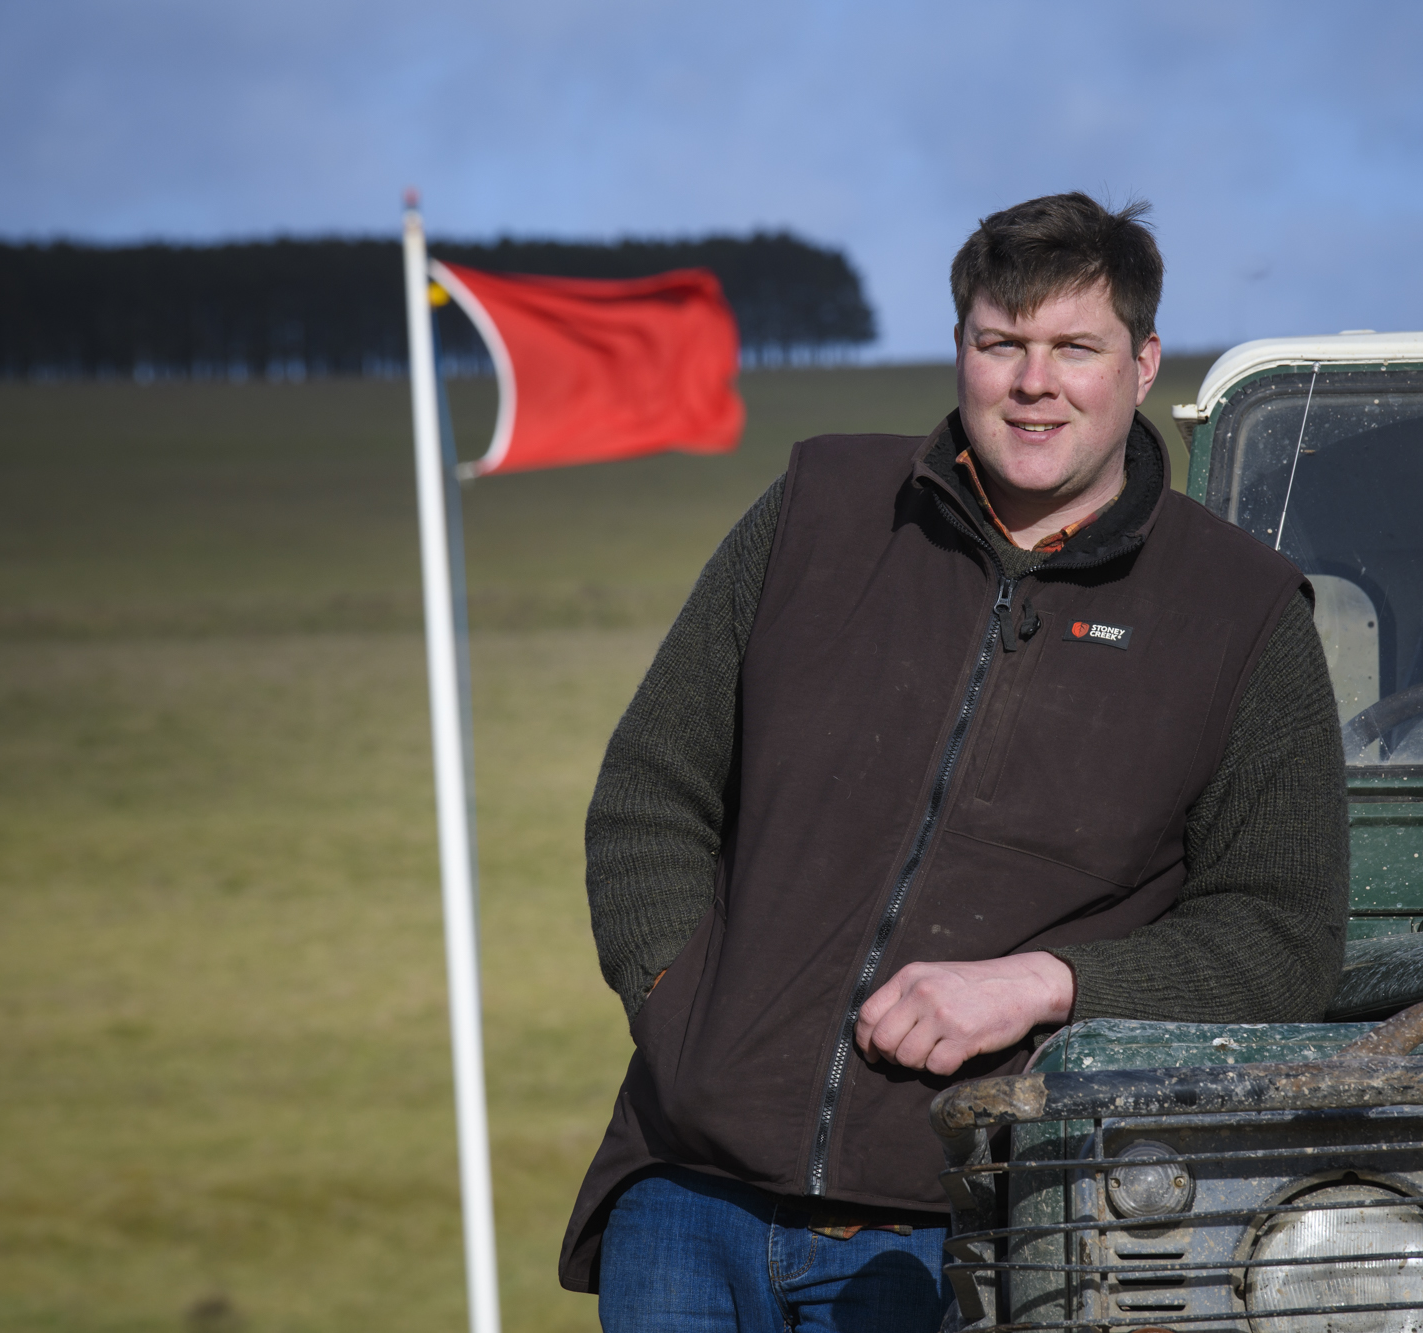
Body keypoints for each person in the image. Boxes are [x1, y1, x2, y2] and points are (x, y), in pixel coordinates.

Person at [560, 192, 1349, 1330]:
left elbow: (1281, 939)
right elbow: (650, 791)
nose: (1035, 382)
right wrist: (676, 1008)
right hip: (685, 1204)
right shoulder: (819, 507)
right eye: (1001, 344)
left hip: (976, 1226)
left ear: (1142, 361)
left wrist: (1046, 983)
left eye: (1074, 346)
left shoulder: (1239, 611)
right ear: (961, 351)